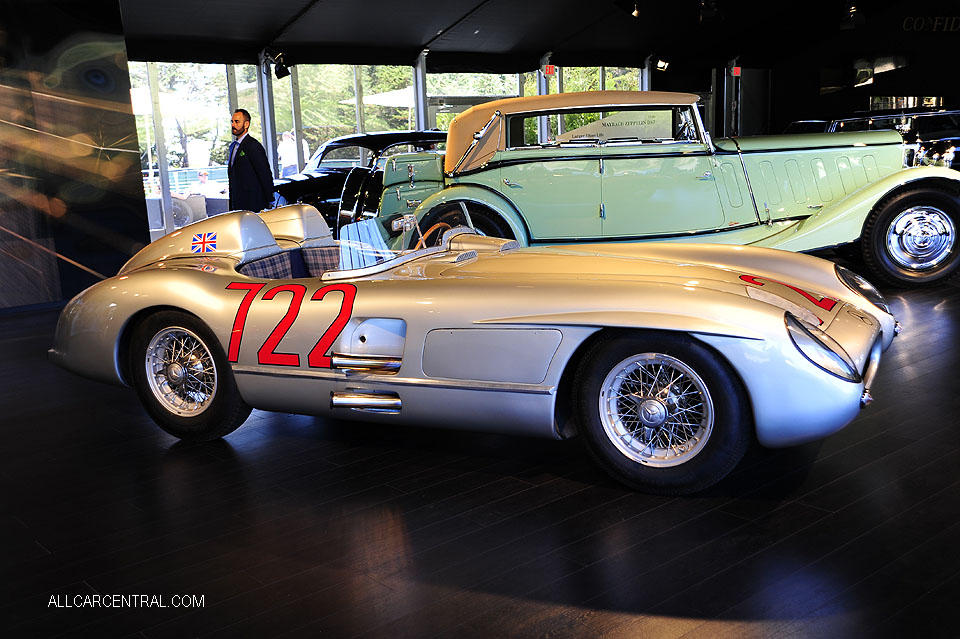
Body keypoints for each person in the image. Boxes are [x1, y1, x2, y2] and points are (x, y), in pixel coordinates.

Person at [227, 109, 274, 212]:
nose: (233, 125)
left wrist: (270, 200)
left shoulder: (253, 145)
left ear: (246, 124)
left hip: (253, 204)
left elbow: (264, 174)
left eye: (237, 122)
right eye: (232, 121)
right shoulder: (233, 147)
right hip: (238, 204)